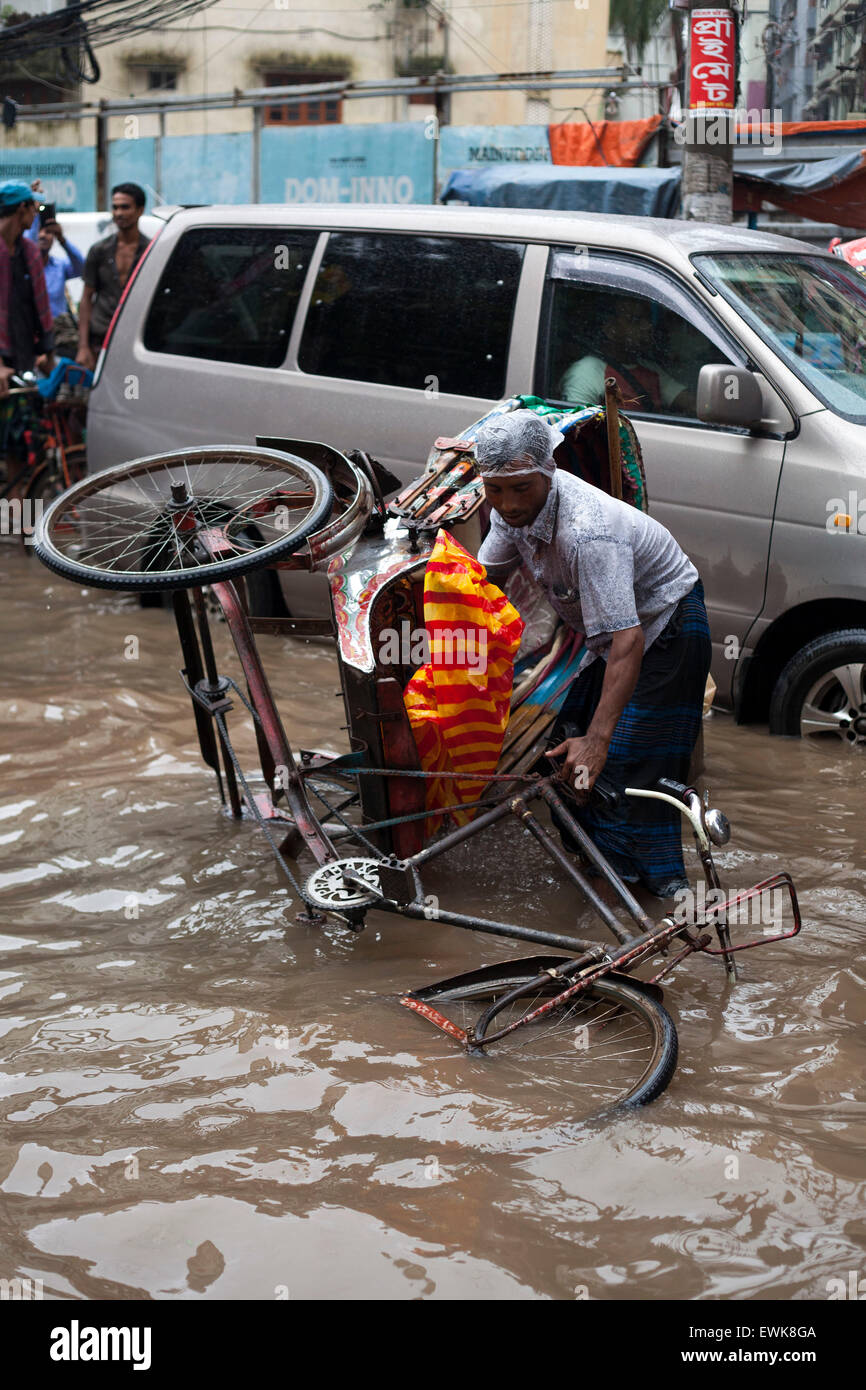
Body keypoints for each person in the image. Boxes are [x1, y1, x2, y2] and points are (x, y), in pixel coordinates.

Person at [475, 409, 711, 899]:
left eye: (521, 488)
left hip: (667, 626)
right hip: (610, 634)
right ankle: (600, 874)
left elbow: (630, 641)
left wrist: (600, 742)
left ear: (548, 472)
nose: (508, 503)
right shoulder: (506, 512)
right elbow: (479, 585)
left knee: (628, 773)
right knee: (564, 752)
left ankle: (663, 895)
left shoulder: (587, 532)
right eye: (495, 489)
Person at [560, 295, 692, 415]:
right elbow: (575, 428)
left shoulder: (650, 369)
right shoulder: (586, 372)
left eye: (647, 320)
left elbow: (690, 403)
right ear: (610, 329)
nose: (647, 327)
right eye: (635, 320)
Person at [76, 183, 150, 370]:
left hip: (136, 340)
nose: (118, 213)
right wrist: (83, 346)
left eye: (125, 207)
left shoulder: (151, 251)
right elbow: (86, 298)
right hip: (100, 339)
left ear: (140, 210)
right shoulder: (99, 251)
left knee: (131, 392)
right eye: (115, 207)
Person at [0, 181, 55, 398]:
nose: (36, 215)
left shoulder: (29, 252)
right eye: (35, 208)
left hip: (23, 358)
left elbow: (39, 307)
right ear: (22, 207)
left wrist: (47, 352)